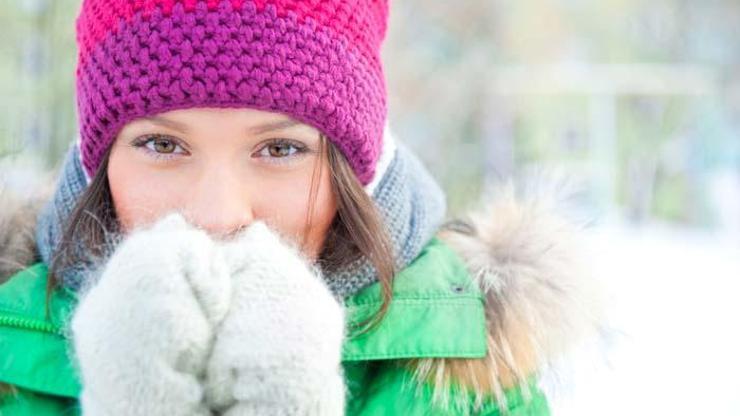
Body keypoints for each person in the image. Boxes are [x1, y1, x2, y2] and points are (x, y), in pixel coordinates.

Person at [0, 0, 601, 414]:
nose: (215, 214)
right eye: (163, 145)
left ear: (352, 169)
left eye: (280, 148)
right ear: (96, 165)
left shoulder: (466, 368)